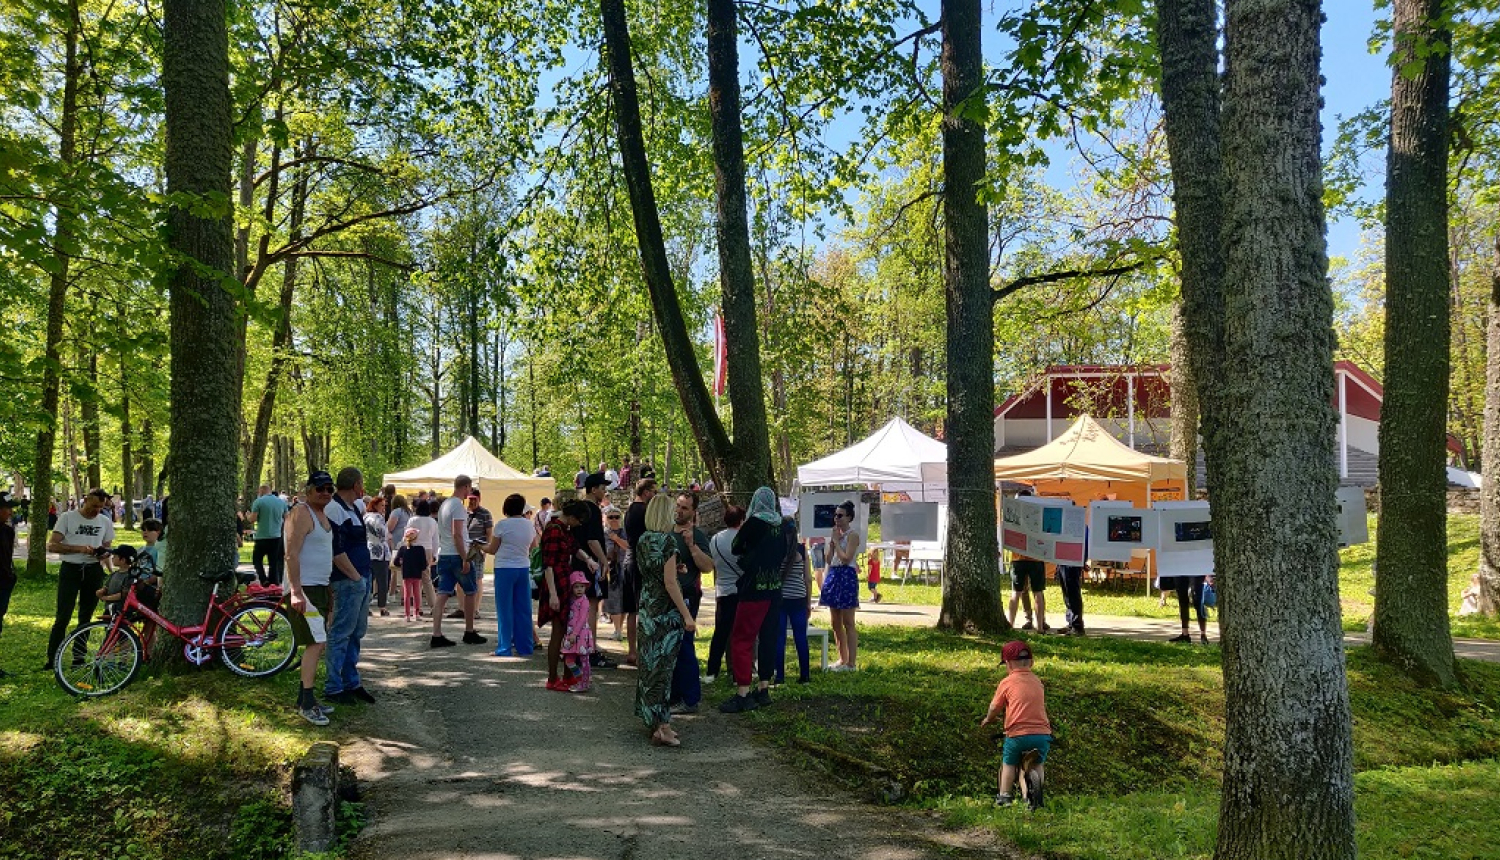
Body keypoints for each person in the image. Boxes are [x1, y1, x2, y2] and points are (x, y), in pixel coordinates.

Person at [634, 493, 696, 746]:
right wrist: (687, 615)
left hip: (648, 606)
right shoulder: (668, 542)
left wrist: (675, 568)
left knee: (649, 667)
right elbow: (671, 583)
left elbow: (652, 571)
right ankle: (663, 726)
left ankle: (653, 720)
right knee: (664, 670)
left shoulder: (643, 540)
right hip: (665, 613)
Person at [720, 487, 788, 713]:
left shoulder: (754, 523)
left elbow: (735, 546)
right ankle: (764, 689)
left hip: (754, 589)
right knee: (768, 638)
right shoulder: (783, 525)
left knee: (742, 639)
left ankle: (743, 693)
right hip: (775, 589)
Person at [285, 471, 340, 725]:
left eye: (330, 488)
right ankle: (307, 704)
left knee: (319, 642)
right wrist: (296, 592)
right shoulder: (301, 513)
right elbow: (291, 555)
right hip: (303, 588)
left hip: (319, 588)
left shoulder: (323, 515)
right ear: (308, 490)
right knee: (316, 643)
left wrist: (328, 589)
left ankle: (304, 698)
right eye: (320, 488)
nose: (326, 493)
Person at [45, 488, 114, 670]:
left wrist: (104, 557)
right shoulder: (68, 518)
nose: (96, 510)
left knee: (86, 616)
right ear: (85, 500)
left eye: (100, 507)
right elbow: (52, 545)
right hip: (71, 569)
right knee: (63, 616)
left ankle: (79, 657)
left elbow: (107, 548)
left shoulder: (105, 522)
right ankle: (53, 658)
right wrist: (79, 549)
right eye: (93, 506)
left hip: (93, 571)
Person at [323, 467, 376, 705]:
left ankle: (350, 680)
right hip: (347, 580)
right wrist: (354, 576)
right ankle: (334, 685)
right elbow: (336, 548)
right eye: (361, 483)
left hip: (360, 577)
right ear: (356, 484)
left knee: (356, 632)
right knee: (341, 632)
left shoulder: (353, 508)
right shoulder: (334, 509)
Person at [980, 640, 1053, 810]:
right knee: (1037, 764)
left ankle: (1004, 796)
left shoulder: (1006, 682)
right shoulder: (1037, 681)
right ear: (1032, 662)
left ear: (1008, 663)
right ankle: (1036, 796)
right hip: (1042, 734)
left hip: (1017, 734)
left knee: (1009, 763)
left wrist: (988, 719)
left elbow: (995, 707)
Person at [667, 492, 714, 715]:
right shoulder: (665, 531)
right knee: (670, 647)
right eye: (678, 506)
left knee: (684, 644)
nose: (679, 511)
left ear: (693, 512)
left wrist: (692, 547)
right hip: (666, 595)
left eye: (685, 508)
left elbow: (708, 567)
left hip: (688, 595)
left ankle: (690, 698)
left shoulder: (697, 535)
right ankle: (673, 694)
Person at [540, 501, 591, 688]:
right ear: (571, 516)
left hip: (564, 580)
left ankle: (568, 675)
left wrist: (589, 560)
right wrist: (553, 594)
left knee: (568, 627)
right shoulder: (554, 530)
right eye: (579, 520)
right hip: (556, 584)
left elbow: (574, 548)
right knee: (558, 631)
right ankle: (553, 678)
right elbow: (548, 565)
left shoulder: (564, 529)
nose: (579, 524)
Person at [431, 475, 485, 648]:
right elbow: (458, 533)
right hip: (457, 554)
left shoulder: (444, 505)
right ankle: (469, 631)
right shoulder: (458, 507)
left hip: (444, 554)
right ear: (466, 487)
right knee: (470, 591)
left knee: (442, 594)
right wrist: (465, 558)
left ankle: (436, 633)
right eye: (469, 488)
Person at [486, 493, 537, 656]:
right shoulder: (529, 525)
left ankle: (504, 647)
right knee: (523, 609)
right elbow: (533, 546)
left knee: (504, 609)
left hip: (504, 568)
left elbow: (492, 549)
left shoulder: (502, 525)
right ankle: (525, 646)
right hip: (523, 568)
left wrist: (480, 547)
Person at [818, 500, 862, 672]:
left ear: (849, 517)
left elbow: (847, 558)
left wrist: (836, 542)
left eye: (840, 515)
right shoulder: (835, 534)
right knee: (835, 622)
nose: (836, 518)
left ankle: (851, 663)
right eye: (835, 515)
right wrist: (831, 543)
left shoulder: (852, 535)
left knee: (848, 621)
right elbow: (828, 560)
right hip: (834, 575)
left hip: (846, 575)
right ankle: (842, 658)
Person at [704, 505, 745, 682]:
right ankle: (737, 671)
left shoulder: (715, 539)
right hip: (741, 590)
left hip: (723, 589)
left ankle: (712, 671)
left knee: (720, 633)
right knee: (740, 633)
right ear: (742, 520)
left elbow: (713, 563)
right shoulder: (745, 539)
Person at [621, 478, 658, 666]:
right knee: (641, 609)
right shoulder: (644, 511)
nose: (656, 495)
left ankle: (632, 651)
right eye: (654, 491)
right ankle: (641, 652)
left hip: (630, 559)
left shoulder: (629, 510)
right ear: (646, 493)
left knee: (632, 611)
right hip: (639, 562)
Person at [576, 473, 612, 665]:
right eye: (602, 487)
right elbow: (592, 539)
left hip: (580, 562)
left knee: (584, 605)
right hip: (590, 564)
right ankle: (590, 649)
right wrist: (603, 560)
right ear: (592, 489)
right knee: (591, 605)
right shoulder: (592, 510)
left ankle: (584, 646)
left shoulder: (582, 508)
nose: (604, 491)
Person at [777, 529, 813, 684]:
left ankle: (779, 676)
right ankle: (805, 675)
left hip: (781, 598)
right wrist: (808, 602)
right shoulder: (801, 549)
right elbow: (808, 578)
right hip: (799, 597)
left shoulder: (776, 549)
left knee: (779, 638)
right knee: (801, 637)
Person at [247, 484, 289, 587]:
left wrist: (248, 515)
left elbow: (252, 519)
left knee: (257, 559)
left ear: (260, 491)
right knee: (273, 562)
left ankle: (263, 579)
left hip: (262, 536)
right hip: (276, 536)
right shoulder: (281, 502)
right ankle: (274, 583)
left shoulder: (259, 502)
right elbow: (287, 518)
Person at [461, 489, 494, 620]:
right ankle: (463, 608)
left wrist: (486, 548)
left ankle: (476, 608)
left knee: (478, 578)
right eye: (470, 499)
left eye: (474, 499)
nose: (472, 501)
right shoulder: (463, 513)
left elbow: (489, 533)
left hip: (478, 548)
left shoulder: (485, 514)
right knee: (462, 578)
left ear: (479, 499)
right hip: (464, 549)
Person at [560, 571, 595, 691]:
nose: (579, 589)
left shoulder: (584, 601)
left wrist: (575, 633)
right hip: (570, 633)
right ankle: (581, 677)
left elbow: (582, 618)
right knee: (569, 659)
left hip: (581, 633)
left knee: (584, 659)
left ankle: (584, 683)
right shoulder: (571, 600)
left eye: (582, 586)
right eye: (576, 586)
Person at [407, 499, 440, 618]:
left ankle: (417, 607)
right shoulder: (432, 521)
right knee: (426, 579)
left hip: (414, 549)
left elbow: (407, 535)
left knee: (414, 579)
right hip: (428, 549)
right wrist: (435, 554)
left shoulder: (412, 520)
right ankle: (434, 606)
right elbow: (435, 540)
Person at [0, 491, 19, 677]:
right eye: (7, 509)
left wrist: (11, 576)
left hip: (4, 583)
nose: (10, 513)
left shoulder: (8, 531)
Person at [364, 495, 392, 617]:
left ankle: (365, 606)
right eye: (382, 506)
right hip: (380, 552)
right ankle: (382, 607)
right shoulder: (379, 518)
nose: (383, 508)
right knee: (382, 582)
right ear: (375, 506)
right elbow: (382, 534)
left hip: (368, 550)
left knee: (368, 581)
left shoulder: (365, 516)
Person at [603, 507, 628, 640]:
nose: (613, 519)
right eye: (610, 517)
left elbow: (629, 546)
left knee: (623, 600)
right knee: (612, 600)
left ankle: (619, 629)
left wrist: (616, 539)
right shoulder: (603, 533)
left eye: (616, 517)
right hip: (610, 570)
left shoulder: (625, 532)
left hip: (624, 568)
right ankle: (617, 630)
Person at [394, 529, 428, 622]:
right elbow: (424, 565)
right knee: (417, 594)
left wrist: (401, 563)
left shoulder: (402, 549)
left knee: (407, 595)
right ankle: (416, 614)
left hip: (406, 574)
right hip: (417, 574)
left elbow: (396, 562)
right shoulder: (420, 549)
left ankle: (407, 615)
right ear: (416, 538)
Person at [1166, 572, 1209, 644]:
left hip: (1196, 569)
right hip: (1180, 569)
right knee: (1182, 600)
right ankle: (1185, 634)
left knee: (1198, 600)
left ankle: (1203, 635)